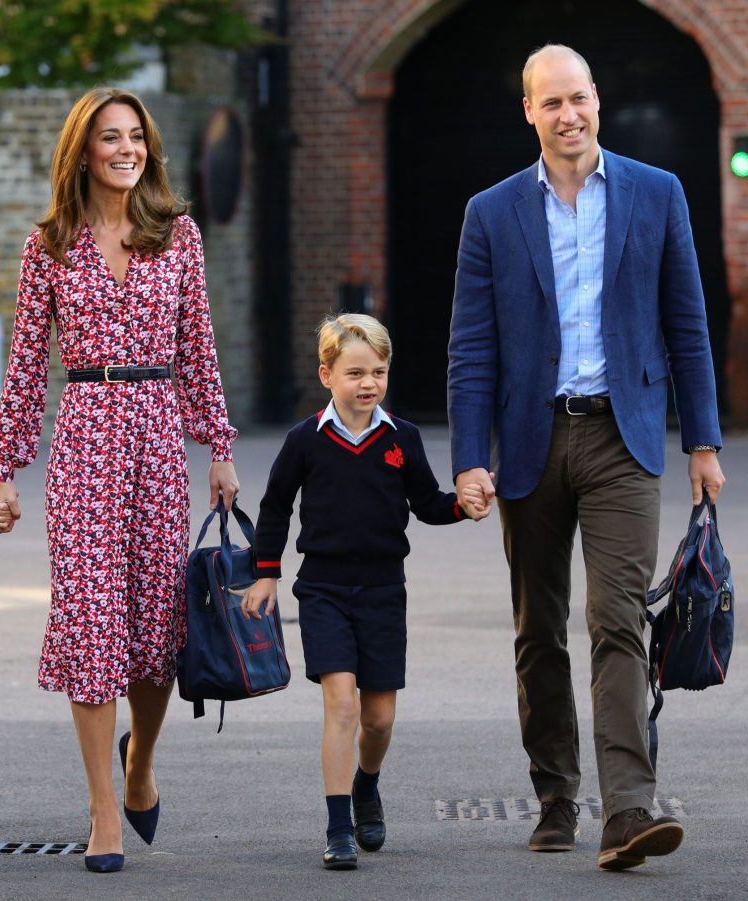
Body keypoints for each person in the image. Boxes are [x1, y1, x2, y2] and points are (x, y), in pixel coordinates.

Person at [447, 44, 725, 871]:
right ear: (527, 112)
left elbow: (688, 323)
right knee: (540, 631)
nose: (568, 116)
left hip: (623, 436)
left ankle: (629, 809)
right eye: (551, 103)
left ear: (597, 99)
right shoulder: (491, 212)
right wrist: (469, 457)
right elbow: (471, 348)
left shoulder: (657, 192)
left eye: (579, 99)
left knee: (618, 620)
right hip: (529, 439)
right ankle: (556, 793)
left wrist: (702, 440)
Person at [0, 87, 239, 874]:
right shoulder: (48, 245)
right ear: (82, 152)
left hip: (159, 430)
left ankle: (139, 763)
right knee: (93, 621)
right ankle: (102, 808)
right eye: (109, 138)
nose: (125, 149)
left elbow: (198, 348)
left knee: (158, 629)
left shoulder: (179, 236)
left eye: (136, 137)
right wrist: (3, 469)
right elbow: (26, 366)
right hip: (86, 433)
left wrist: (218, 445)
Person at [242, 314, 489, 870]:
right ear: (327, 374)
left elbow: (427, 503)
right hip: (323, 590)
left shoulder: (403, 438)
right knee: (343, 704)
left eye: (378, 371)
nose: (368, 383)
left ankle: (366, 785)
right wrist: (266, 572)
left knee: (378, 720)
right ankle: (337, 829)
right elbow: (275, 506)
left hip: (383, 591)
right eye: (355, 372)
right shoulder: (305, 440)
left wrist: (461, 505)